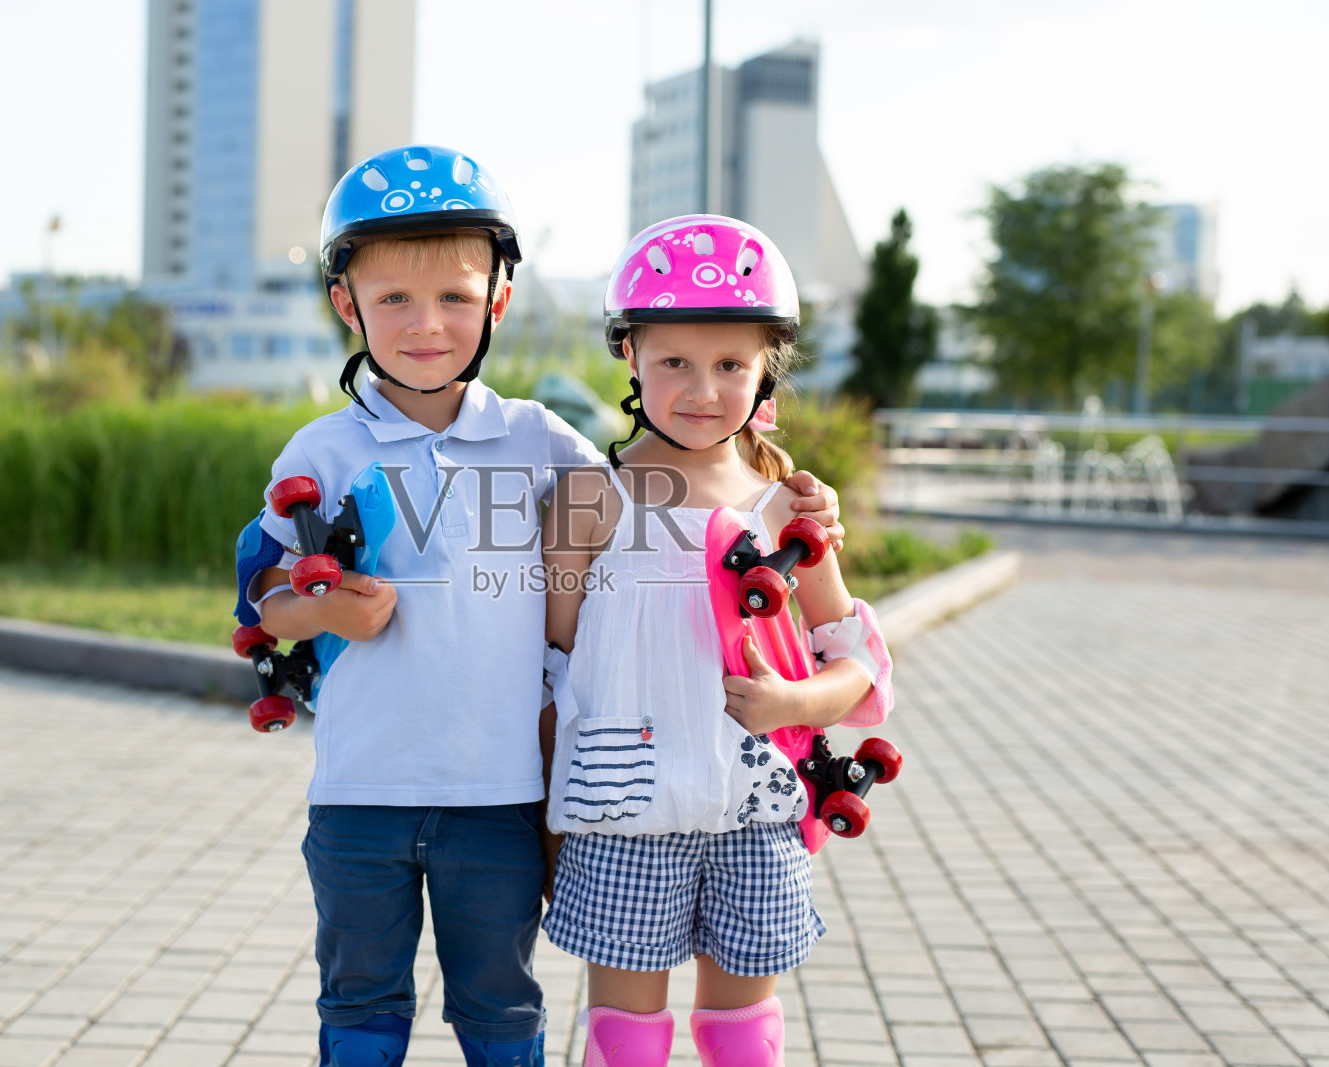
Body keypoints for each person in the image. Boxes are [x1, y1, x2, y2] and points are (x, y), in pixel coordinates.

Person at [236, 150, 847, 1067]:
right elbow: (264, 602)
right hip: (362, 790)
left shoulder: (540, 442)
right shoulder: (324, 448)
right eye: (393, 298)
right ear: (345, 303)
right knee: (359, 998)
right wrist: (322, 614)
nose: (425, 324)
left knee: (501, 1005)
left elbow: (670, 495)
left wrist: (795, 498)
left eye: (452, 296)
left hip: (504, 793)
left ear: (498, 303)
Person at [539, 214, 895, 1067]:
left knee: (746, 1036)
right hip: (622, 811)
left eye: (731, 364)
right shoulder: (592, 500)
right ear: (630, 354)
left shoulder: (790, 506)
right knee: (623, 1038)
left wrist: (790, 702)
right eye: (675, 363)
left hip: (758, 813)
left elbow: (858, 665)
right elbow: (553, 677)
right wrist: (544, 828)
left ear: (767, 363)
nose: (703, 388)